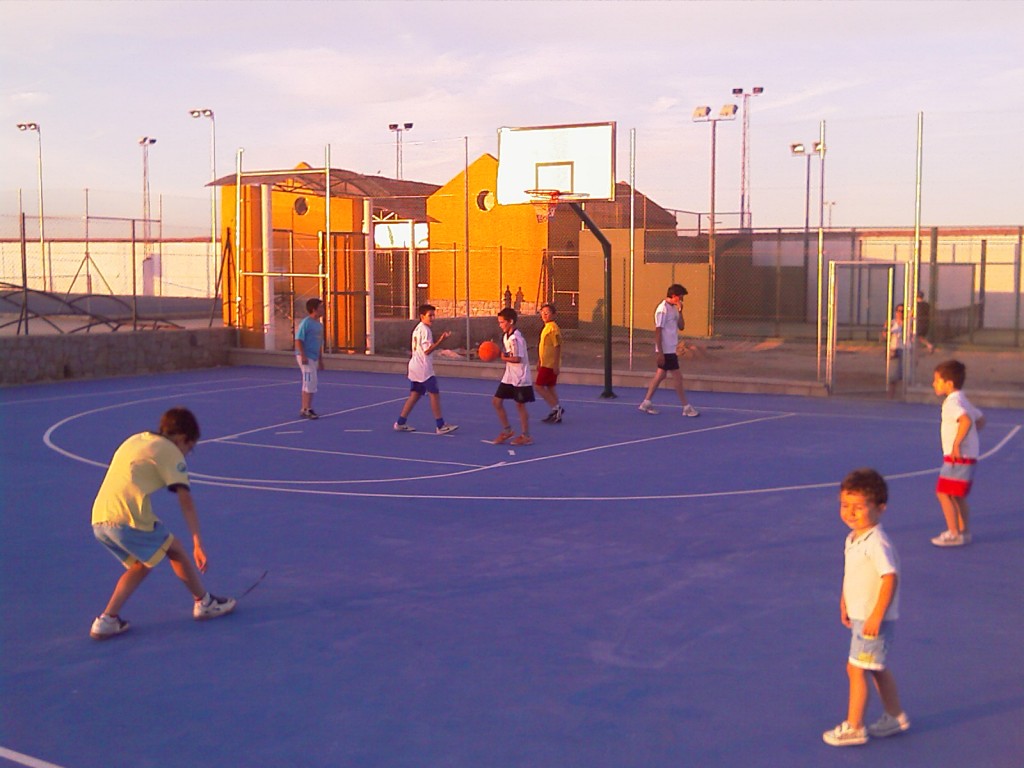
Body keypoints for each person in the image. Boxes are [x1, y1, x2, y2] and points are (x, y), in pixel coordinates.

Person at [90, 407, 236, 640]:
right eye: (189, 447)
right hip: (128, 516)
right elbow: (185, 499)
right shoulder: (171, 451)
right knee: (175, 549)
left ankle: (107, 620)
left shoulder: (136, 439)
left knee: (142, 564)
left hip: (100, 517)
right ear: (180, 438)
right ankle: (204, 603)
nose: (187, 454)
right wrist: (197, 541)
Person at [823, 468, 910, 747]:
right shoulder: (853, 538)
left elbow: (889, 577)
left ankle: (855, 726)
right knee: (874, 667)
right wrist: (844, 600)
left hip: (873, 620)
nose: (850, 512)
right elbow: (854, 575)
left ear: (880, 508)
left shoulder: (876, 542)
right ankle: (895, 715)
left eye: (859, 507)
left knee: (856, 669)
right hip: (862, 615)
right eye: (845, 505)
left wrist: (876, 614)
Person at [930, 359, 985, 547]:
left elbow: (966, 421)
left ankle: (953, 532)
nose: (934, 384)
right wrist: (970, 440)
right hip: (968, 456)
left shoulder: (952, 403)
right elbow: (979, 419)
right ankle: (964, 532)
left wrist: (957, 444)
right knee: (956, 494)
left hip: (957, 457)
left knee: (943, 492)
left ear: (949, 384)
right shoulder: (963, 398)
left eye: (937, 380)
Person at [393, 304, 459, 435]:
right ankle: (440, 425)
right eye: (430, 315)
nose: (432, 318)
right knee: (434, 394)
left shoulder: (417, 329)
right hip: (423, 368)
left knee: (415, 394)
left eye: (434, 315)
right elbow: (427, 351)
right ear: (422, 316)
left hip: (415, 366)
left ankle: (400, 422)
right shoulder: (425, 330)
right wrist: (442, 339)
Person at [638, 284, 699, 417]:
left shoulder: (675, 309)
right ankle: (686, 407)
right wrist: (660, 352)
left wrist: (681, 311)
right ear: (674, 296)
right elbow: (658, 331)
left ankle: (646, 402)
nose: (682, 299)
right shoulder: (662, 310)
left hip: (671, 348)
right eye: (681, 296)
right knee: (678, 377)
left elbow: (681, 326)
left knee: (661, 375)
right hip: (665, 350)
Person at [492, 307, 535, 446]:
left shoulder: (517, 339)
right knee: (496, 402)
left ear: (510, 321)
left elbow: (517, 358)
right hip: (509, 376)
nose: (500, 325)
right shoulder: (506, 336)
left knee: (520, 405)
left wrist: (501, 357)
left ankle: (526, 435)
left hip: (520, 377)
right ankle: (507, 430)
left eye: (502, 322)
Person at [296, 297, 325, 419]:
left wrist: (320, 360)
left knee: (308, 382)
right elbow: (298, 339)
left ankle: (304, 407)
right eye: (321, 307)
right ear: (314, 309)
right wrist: (303, 355)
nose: (323, 310)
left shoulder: (318, 325)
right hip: (306, 356)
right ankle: (307, 408)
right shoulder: (306, 323)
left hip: (313, 357)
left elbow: (318, 343)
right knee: (310, 382)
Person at [536, 303, 564, 424]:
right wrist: (539, 360)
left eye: (547, 312)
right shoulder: (546, 327)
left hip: (550, 364)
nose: (544, 315)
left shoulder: (553, 328)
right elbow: (544, 347)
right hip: (545, 363)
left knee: (538, 386)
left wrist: (556, 365)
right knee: (550, 387)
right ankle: (556, 410)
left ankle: (556, 409)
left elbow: (557, 346)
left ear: (554, 314)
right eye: (542, 312)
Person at [885, 304, 904, 399]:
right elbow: (884, 335)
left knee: (903, 375)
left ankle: (902, 397)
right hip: (893, 349)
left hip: (904, 349)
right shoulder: (891, 323)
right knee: (892, 376)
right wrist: (887, 331)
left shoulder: (907, 324)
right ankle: (890, 397)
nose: (900, 313)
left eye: (902, 311)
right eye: (898, 311)